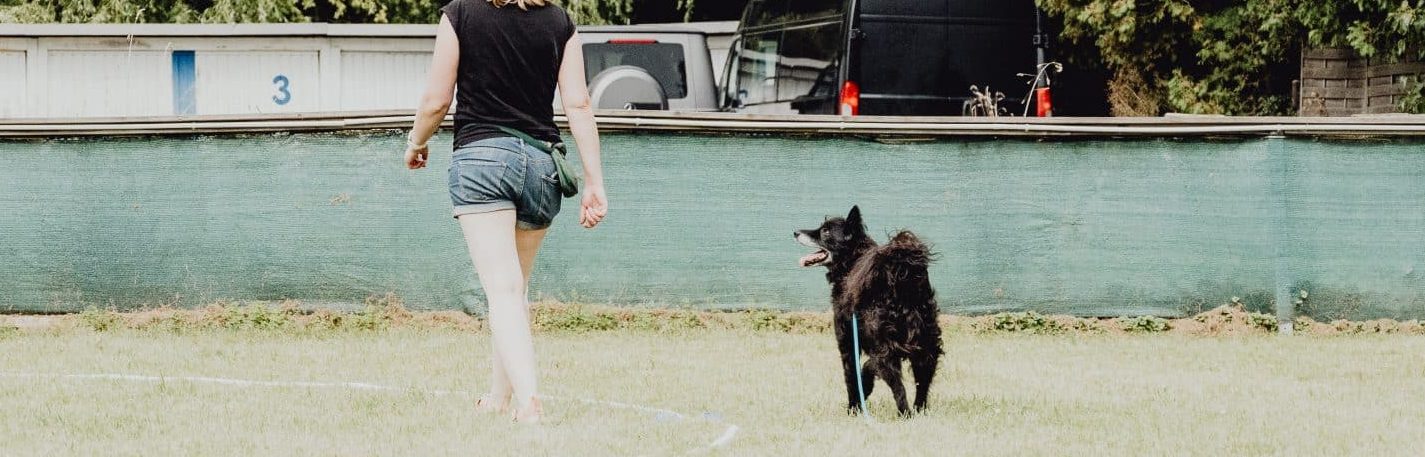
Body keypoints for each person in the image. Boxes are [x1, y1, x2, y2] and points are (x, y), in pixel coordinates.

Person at [402, 0, 608, 424]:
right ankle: (498, 397)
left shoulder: (459, 14)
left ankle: (529, 402)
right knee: (513, 291)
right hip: (541, 167)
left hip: (482, 161)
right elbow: (580, 104)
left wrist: (417, 143)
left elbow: (437, 101)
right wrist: (594, 181)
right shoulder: (561, 22)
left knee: (502, 291)